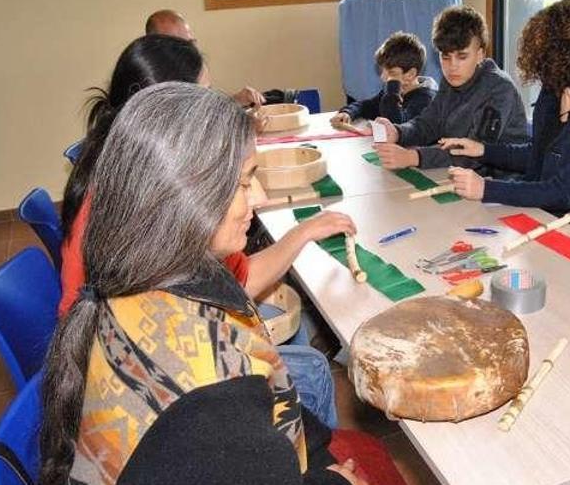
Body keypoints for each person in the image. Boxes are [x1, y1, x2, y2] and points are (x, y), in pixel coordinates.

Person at [41, 83, 368, 485]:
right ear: (188, 195)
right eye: (246, 181)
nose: (261, 197)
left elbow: (274, 412)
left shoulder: (142, 276)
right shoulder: (208, 406)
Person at [60, 34, 352, 429]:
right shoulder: (143, 225)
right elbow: (236, 289)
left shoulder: (128, 177)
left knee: (288, 336)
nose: (260, 197)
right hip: (137, 382)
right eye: (204, 94)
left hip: (113, 362)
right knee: (309, 367)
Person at [440, 0, 570, 256]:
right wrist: (484, 150)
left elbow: (565, 190)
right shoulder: (555, 90)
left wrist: (486, 188)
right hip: (552, 219)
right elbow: (539, 154)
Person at [371, 5, 528, 172]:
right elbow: (428, 123)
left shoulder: (500, 89)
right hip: (458, 173)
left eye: (462, 56)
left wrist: (413, 157)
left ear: (480, 54)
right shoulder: (452, 81)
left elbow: (474, 152)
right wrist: (398, 132)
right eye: (445, 57)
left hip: (499, 182)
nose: (452, 66)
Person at [145, 9, 265, 108]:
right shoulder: (152, 85)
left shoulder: (196, 68)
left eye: (190, 43)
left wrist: (236, 100)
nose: (189, 51)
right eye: (177, 45)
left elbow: (206, 106)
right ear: (156, 48)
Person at [330, 31, 437, 125]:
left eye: (391, 72)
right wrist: (348, 112)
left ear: (410, 74)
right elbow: (366, 106)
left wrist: (392, 92)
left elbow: (397, 125)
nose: (383, 77)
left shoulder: (425, 100)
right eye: (382, 70)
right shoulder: (391, 91)